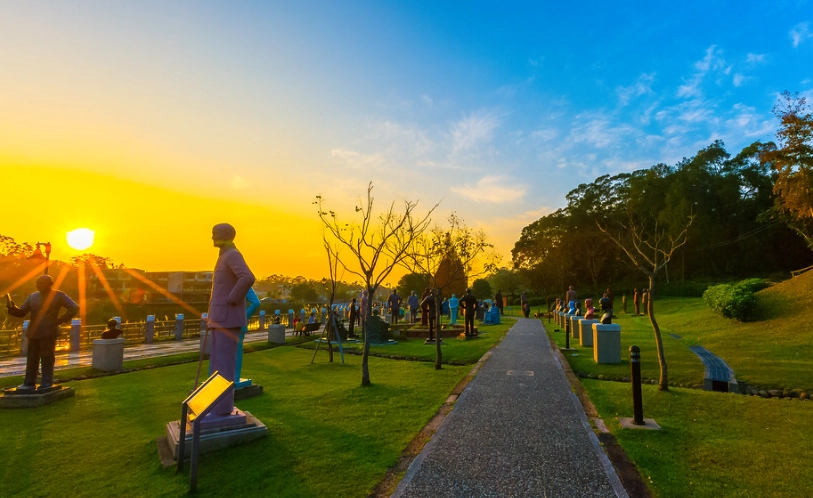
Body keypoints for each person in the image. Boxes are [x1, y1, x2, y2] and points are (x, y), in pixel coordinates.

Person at [207, 223, 255, 417]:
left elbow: (247, 277)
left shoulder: (233, 255)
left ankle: (222, 408)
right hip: (219, 319)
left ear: (226, 235)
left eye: (215, 234)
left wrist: (232, 300)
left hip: (227, 318)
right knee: (216, 364)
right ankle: (215, 405)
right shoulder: (224, 256)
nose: (212, 237)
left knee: (225, 364)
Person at [7, 274, 79, 390]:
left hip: (49, 331)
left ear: (50, 284)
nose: (39, 285)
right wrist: (12, 308)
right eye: (37, 283)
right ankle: (29, 382)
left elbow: (74, 307)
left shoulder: (59, 295)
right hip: (34, 332)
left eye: (42, 283)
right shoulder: (32, 296)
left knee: (47, 358)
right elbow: (22, 312)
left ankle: (46, 382)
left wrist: (60, 320)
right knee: (32, 358)